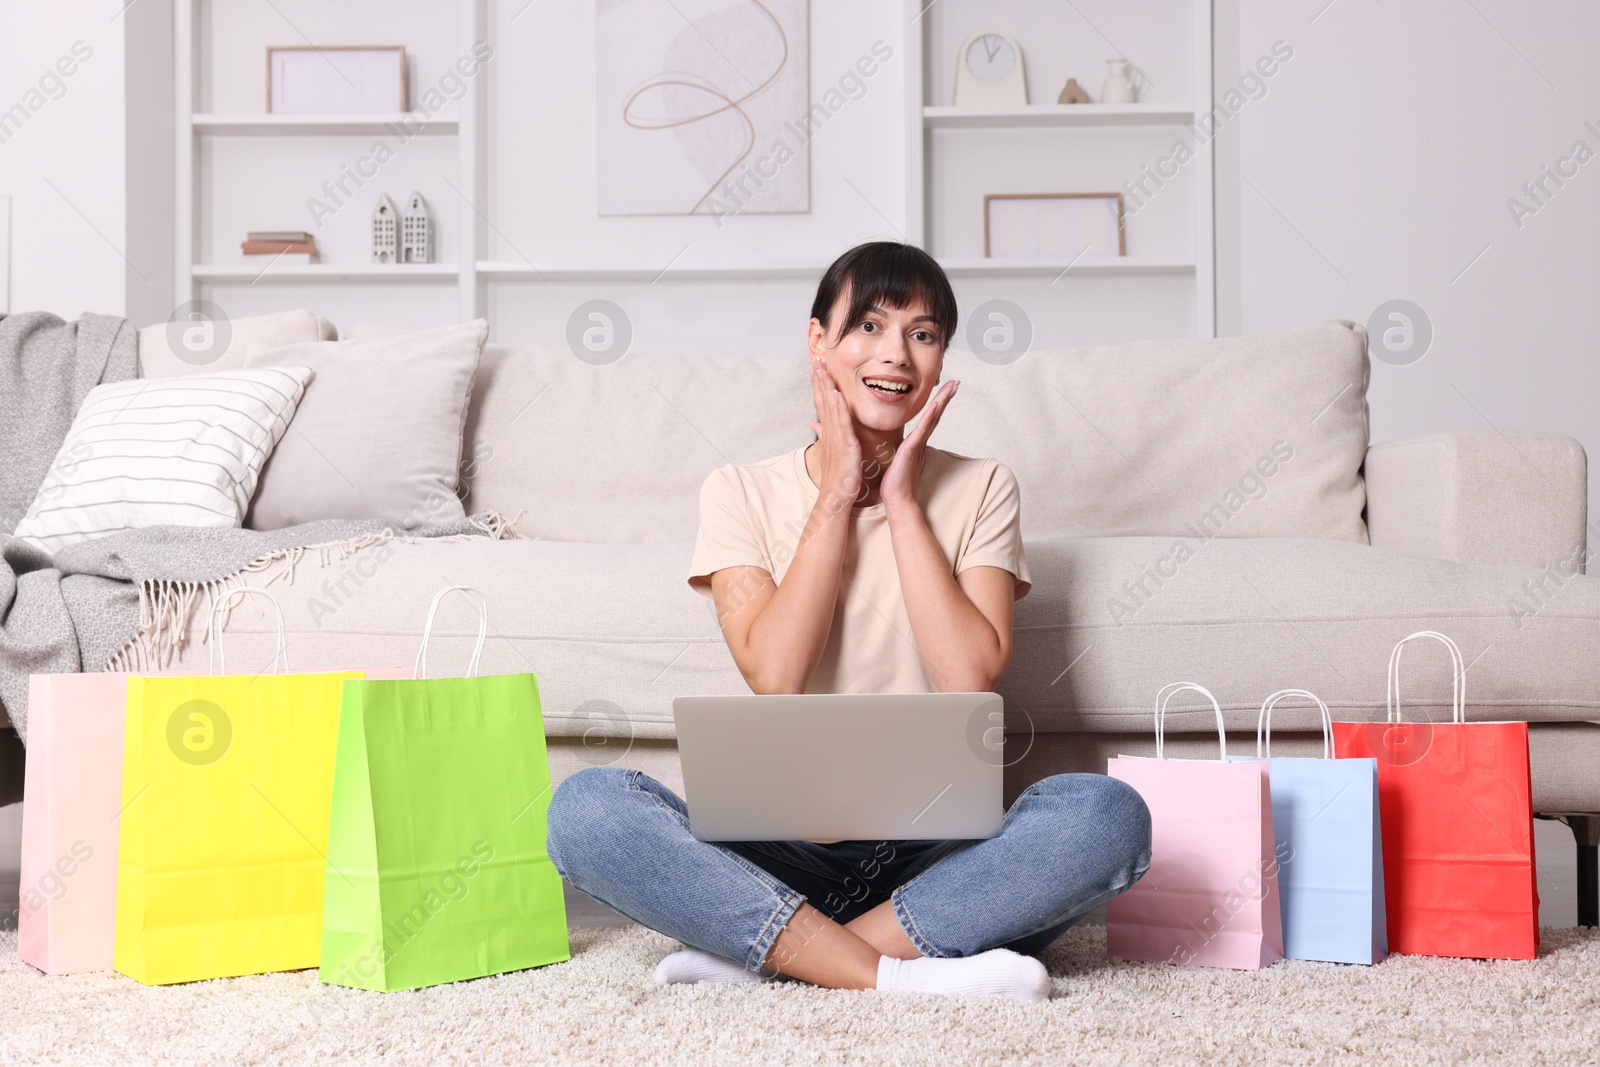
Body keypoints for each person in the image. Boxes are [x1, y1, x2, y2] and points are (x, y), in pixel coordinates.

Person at [547, 241, 1152, 1002]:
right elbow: (776, 673)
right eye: (868, 325)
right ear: (818, 342)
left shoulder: (982, 485)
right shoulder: (738, 490)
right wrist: (837, 495)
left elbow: (968, 674)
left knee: (1107, 815)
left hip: (933, 860)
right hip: (775, 853)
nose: (895, 354)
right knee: (586, 812)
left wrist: (900, 502)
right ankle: (905, 974)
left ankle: (774, 955)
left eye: (923, 333)